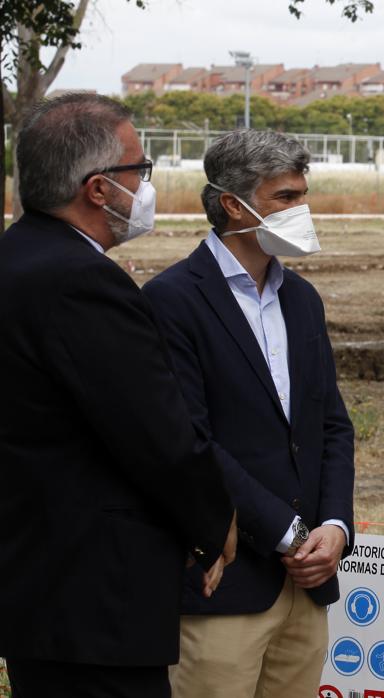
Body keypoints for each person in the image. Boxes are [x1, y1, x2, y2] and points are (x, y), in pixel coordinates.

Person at [0, 93, 236, 697]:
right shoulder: (81, 281)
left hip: (36, 584)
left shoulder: (17, 258)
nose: (148, 185)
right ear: (99, 189)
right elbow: (155, 433)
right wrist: (214, 523)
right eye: (142, 171)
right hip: (94, 597)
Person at [142, 130, 356, 698]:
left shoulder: (302, 299)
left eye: (303, 195)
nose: (302, 210)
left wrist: (334, 529)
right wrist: (286, 534)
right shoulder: (172, 301)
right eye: (286, 198)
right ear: (234, 205)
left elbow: (329, 425)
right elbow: (190, 439)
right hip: (226, 585)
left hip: (308, 582)